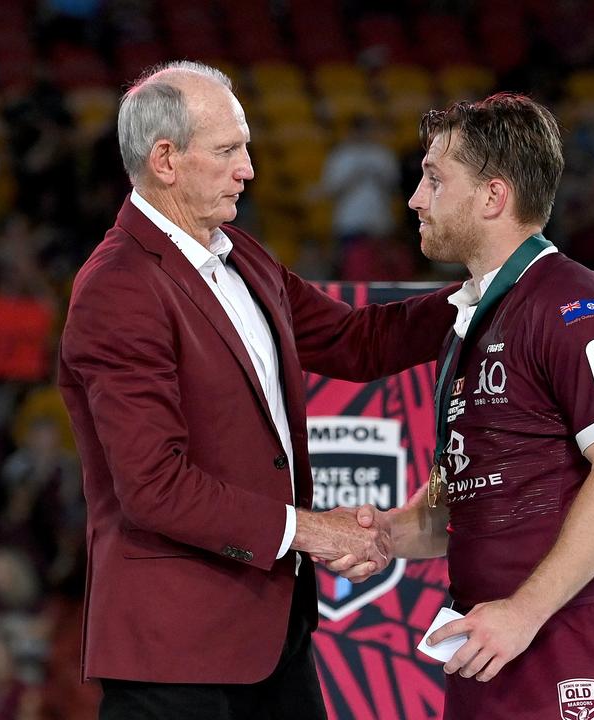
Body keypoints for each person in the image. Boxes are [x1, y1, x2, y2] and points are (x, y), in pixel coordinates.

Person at [56, 61, 452, 720]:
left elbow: (359, 342)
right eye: (228, 150)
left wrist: (485, 295)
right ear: (165, 160)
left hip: (273, 640)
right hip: (175, 656)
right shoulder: (119, 288)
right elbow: (153, 485)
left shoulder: (241, 255)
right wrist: (311, 532)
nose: (248, 169)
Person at [333, 93, 594, 720]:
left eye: (433, 179)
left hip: (565, 640)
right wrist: (383, 533)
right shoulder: (470, 318)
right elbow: (474, 491)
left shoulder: (572, 305)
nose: (415, 199)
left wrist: (525, 612)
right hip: (487, 642)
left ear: (492, 197)